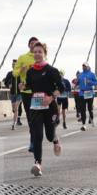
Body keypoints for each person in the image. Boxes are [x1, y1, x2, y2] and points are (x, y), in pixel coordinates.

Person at [24, 42, 63, 177]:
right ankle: (38, 164)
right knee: (37, 136)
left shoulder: (52, 70)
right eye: (35, 52)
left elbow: (61, 88)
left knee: (49, 135)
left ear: (45, 54)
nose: (37, 54)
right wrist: (23, 86)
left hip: (49, 106)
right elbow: (29, 86)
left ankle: (55, 140)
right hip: (35, 106)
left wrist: (51, 97)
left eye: (40, 51)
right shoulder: (30, 71)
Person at [13, 37, 40, 149]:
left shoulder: (40, 57)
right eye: (32, 44)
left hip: (38, 92)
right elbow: (14, 73)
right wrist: (21, 70)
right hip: (26, 91)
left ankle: (37, 137)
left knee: (38, 117)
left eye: (36, 44)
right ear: (29, 45)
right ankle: (33, 140)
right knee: (30, 117)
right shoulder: (22, 57)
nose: (33, 45)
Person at [75, 63, 97, 131]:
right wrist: (76, 82)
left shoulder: (92, 74)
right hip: (82, 93)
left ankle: (92, 119)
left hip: (89, 93)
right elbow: (77, 83)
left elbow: (96, 83)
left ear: (88, 67)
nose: (83, 67)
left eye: (85, 66)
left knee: (90, 108)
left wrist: (90, 82)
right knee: (82, 109)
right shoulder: (80, 75)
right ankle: (83, 125)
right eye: (83, 66)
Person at [3, 60, 23, 129]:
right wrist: (8, 85)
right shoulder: (10, 74)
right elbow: (5, 82)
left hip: (20, 94)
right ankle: (16, 119)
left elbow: (25, 81)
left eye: (15, 64)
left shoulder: (21, 73)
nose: (13, 65)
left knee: (16, 108)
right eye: (12, 64)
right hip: (12, 94)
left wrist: (23, 85)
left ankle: (13, 124)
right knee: (14, 109)